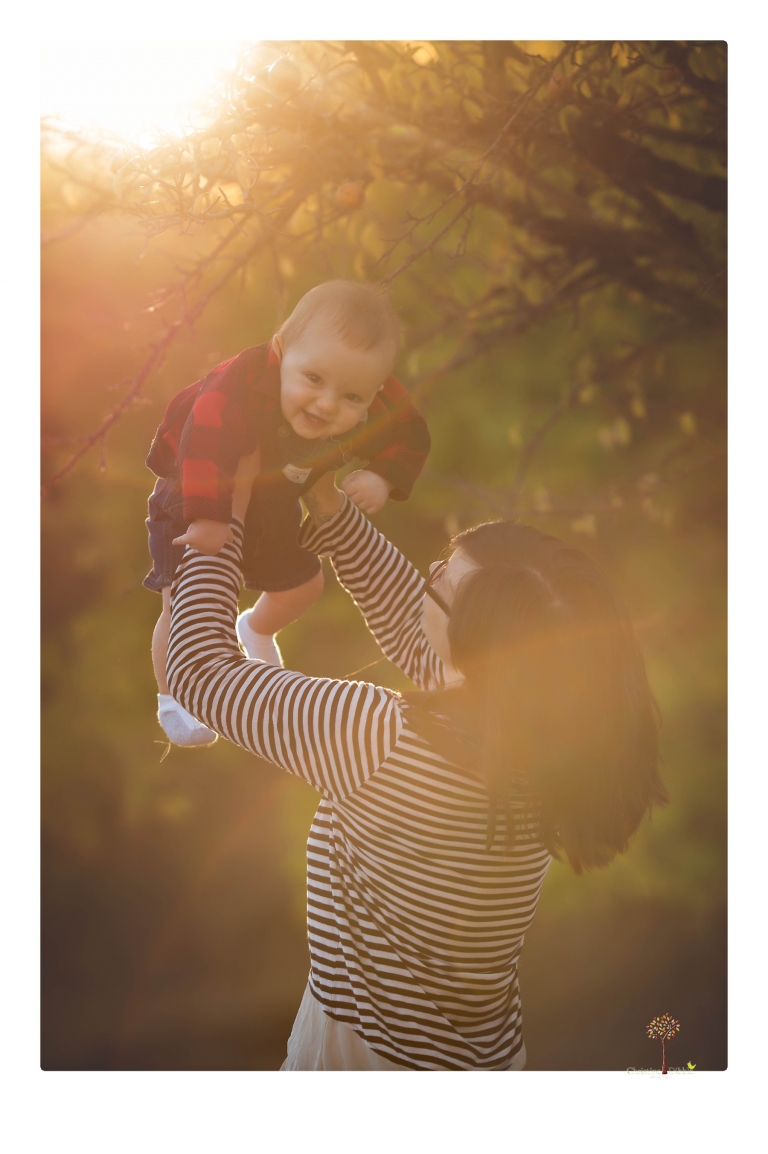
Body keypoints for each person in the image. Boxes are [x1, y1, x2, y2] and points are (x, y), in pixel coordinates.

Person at [164, 461, 668, 1070]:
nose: (426, 575)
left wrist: (221, 523)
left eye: (441, 584)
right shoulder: (548, 743)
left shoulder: (379, 736)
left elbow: (198, 670)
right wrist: (327, 503)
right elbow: (416, 623)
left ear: (477, 646)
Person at [143, 281, 430, 747]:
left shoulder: (368, 397)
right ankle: (172, 697)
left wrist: (382, 475)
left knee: (304, 585)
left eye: (352, 398)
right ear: (280, 351)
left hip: (271, 500)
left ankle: (253, 627)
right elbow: (205, 435)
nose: (326, 404)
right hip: (195, 490)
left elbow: (410, 430)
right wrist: (209, 514)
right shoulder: (238, 385)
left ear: (375, 392)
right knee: (179, 604)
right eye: (313, 379)